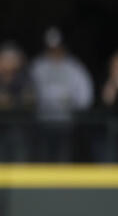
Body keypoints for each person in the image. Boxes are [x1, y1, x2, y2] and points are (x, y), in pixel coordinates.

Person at [28, 27, 93, 161]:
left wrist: (74, 105)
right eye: (51, 48)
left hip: (66, 124)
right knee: (43, 161)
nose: (54, 52)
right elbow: (29, 94)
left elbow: (85, 96)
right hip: (42, 123)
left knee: (63, 161)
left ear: (63, 47)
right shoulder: (37, 66)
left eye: (57, 48)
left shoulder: (74, 67)